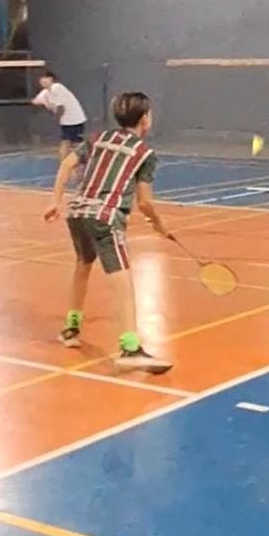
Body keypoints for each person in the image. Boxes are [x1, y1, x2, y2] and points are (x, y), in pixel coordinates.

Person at [44, 90, 172, 374]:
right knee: (122, 279)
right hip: (105, 217)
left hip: (77, 213)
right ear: (144, 119)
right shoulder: (145, 153)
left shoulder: (97, 139)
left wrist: (55, 201)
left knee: (83, 264)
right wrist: (158, 223)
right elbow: (145, 202)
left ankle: (71, 329)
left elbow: (66, 164)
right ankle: (130, 348)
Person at [30, 68, 87, 159]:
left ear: (51, 79)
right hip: (65, 121)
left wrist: (55, 117)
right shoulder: (46, 92)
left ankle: (81, 162)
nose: (42, 81)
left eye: (45, 78)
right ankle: (65, 163)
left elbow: (61, 108)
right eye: (40, 79)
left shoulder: (57, 87)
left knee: (74, 143)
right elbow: (35, 101)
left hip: (75, 119)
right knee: (66, 142)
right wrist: (45, 102)